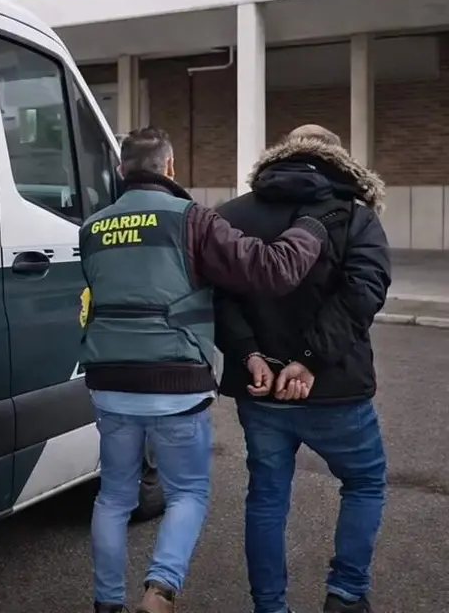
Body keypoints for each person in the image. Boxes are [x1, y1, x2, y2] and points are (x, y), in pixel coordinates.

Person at [80, 126, 332, 613]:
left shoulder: (92, 227)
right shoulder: (190, 219)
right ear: (170, 168)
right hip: (176, 382)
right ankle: (160, 589)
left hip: (109, 383)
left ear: (120, 171)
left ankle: (107, 603)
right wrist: (313, 228)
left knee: (112, 497)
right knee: (188, 493)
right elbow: (271, 269)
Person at [214, 124, 391, 613]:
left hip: (260, 388)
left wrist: (249, 353)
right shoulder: (354, 216)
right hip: (336, 389)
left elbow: (218, 298)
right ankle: (346, 595)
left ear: (281, 156)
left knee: (267, 497)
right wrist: (309, 362)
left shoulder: (232, 215)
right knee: (365, 481)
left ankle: (270, 607)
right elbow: (362, 295)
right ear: (338, 162)